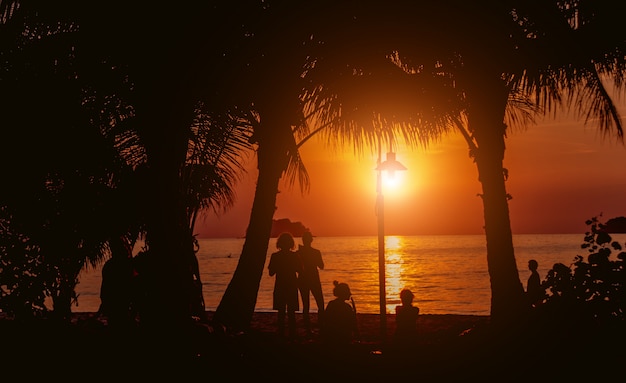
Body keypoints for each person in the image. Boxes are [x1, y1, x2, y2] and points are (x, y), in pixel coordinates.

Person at [268, 232, 303, 338]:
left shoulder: (275, 256)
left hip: (280, 285)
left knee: (281, 312)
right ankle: (292, 334)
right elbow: (300, 270)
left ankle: (281, 334)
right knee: (291, 312)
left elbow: (271, 273)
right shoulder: (295, 256)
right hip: (292, 285)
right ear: (291, 244)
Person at [99, 236, 136, 331]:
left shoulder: (110, 265)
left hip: (118, 305)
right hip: (121, 305)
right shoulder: (127, 265)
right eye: (124, 246)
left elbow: (104, 290)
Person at [296, 230, 325, 332]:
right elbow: (321, 266)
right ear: (311, 240)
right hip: (313, 279)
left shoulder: (299, 253)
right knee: (320, 303)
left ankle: (308, 327)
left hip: (303, 279)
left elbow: (296, 268)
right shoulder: (316, 252)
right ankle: (321, 324)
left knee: (306, 304)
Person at [321, 280, 359, 345]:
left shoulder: (331, 304)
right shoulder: (347, 307)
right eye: (348, 291)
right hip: (342, 337)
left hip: (330, 336)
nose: (350, 294)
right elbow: (352, 323)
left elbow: (325, 319)